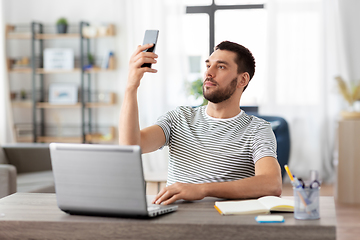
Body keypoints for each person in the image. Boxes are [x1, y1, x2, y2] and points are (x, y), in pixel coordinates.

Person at [119, 41, 282, 205]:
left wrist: (202, 190)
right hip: (173, 220)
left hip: (225, 223)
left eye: (221, 67)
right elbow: (131, 145)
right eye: (208, 66)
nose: (209, 73)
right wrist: (131, 87)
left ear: (242, 79)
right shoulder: (179, 118)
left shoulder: (257, 129)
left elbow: (272, 184)